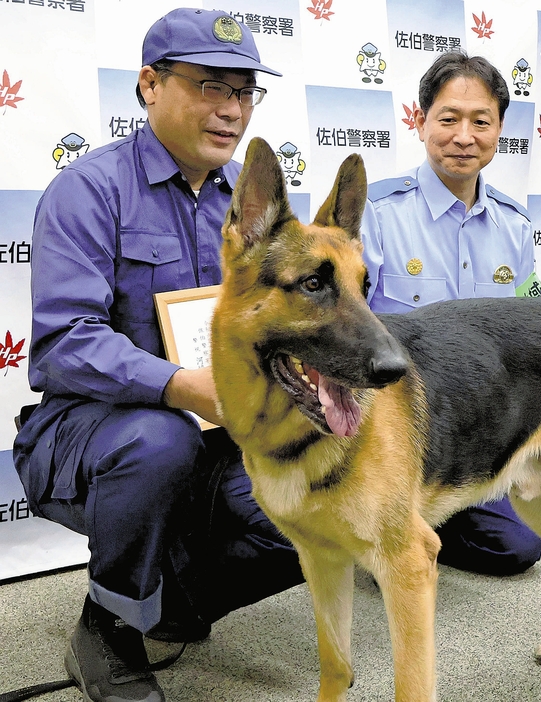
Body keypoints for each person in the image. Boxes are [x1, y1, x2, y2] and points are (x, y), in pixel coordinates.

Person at [13, 9, 304, 702]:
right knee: (159, 438)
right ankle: (107, 628)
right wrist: (182, 386)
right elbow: (65, 343)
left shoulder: (257, 205)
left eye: (243, 92)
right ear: (150, 84)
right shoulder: (88, 191)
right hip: (95, 431)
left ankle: (174, 602)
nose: (231, 110)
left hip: (224, 432)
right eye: (210, 86)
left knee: (314, 517)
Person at [361, 52, 541, 576]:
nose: (464, 136)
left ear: (499, 130)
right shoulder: (375, 214)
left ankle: (418, 523)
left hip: (478, 429)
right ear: (421, 123)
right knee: (388, 552)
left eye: (480, 122)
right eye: (448, 119)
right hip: (394, 428)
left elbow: (529, 333)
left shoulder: (516, 226)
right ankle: (388, 520)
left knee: (517, 550)